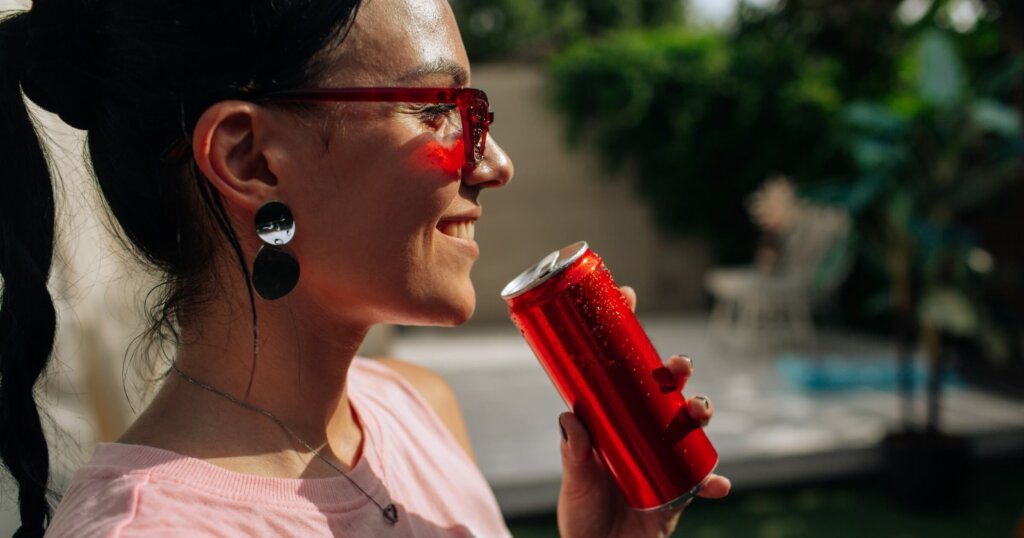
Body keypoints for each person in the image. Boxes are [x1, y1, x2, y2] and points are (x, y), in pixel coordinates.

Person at [0, 0, 730, 536]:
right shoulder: (150, 529)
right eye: (439, 108)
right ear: (249, 158)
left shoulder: (419, 412)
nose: (495, 164)